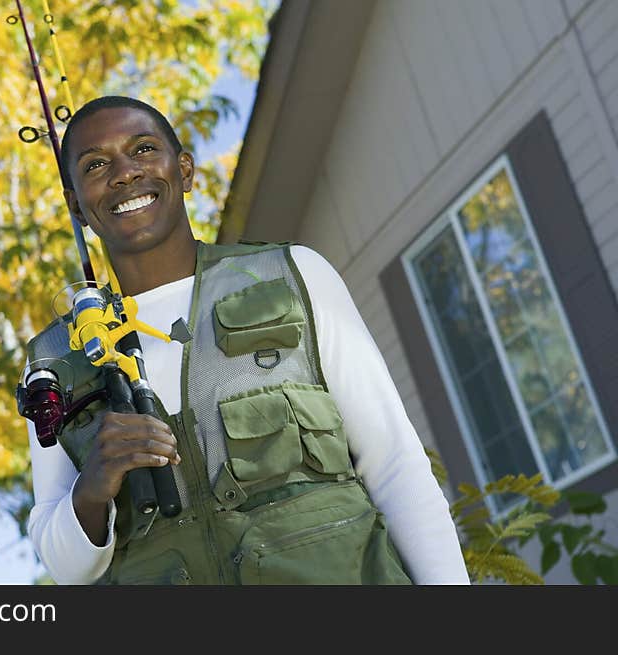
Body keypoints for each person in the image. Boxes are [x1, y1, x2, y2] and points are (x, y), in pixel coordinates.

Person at [23, 95, 470, 585]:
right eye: (96, 164)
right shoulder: (55, 360)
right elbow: (65, 566)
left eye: (145, 149)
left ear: (186, 170)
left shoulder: (293, 274)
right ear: (76, 205)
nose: (125, 173)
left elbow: (395, 467)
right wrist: (92, 490)